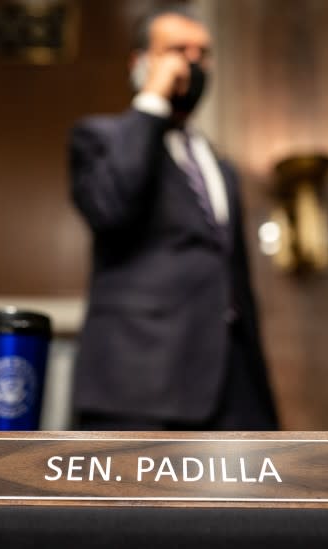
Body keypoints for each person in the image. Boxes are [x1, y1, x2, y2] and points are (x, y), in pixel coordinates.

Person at [69, 5, 278, 430]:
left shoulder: (221, 166)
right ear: (140, 60)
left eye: (203, 52)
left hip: (236, 390)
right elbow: (111, 208)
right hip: (141, 384)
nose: (193, 63)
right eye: (177, 50)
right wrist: (151, 102)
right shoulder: (99, 138)